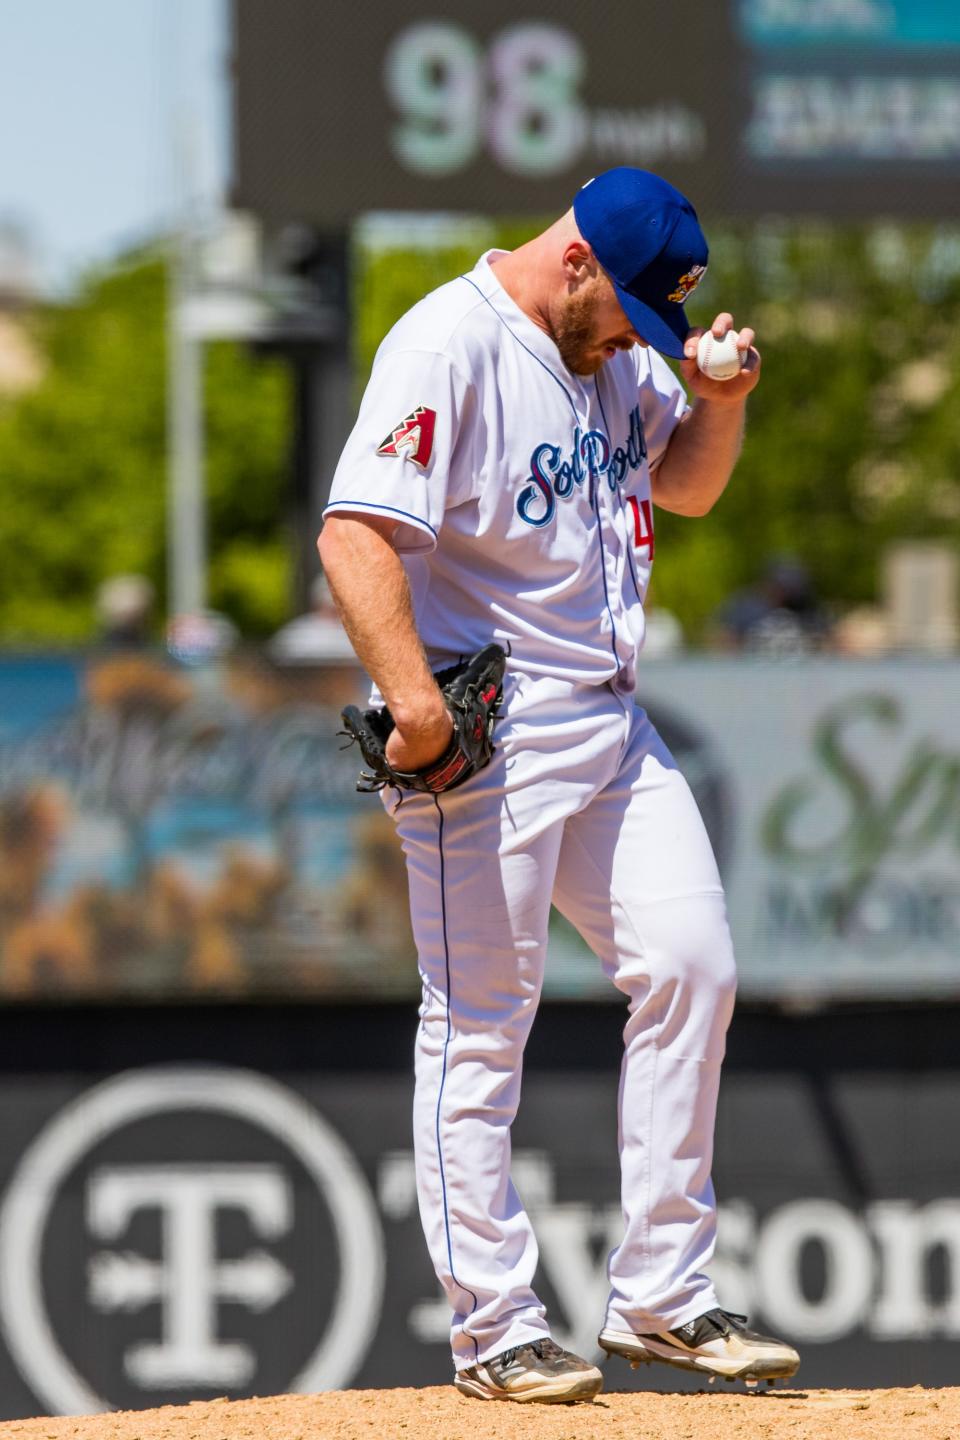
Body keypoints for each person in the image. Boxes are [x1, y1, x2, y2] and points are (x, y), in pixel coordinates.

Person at [318, 168, 800, 1404]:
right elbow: (355, 531)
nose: (635, 339)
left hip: (613, 721)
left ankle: (664, 1296)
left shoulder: (614, 349)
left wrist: (718, 399)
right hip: (488, 732)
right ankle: (492, 1329)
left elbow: (682, 483)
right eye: (629, 310)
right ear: (577, 259)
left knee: (693, 967)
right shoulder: (449, 341)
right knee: (481, 1022)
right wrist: (413, 702)